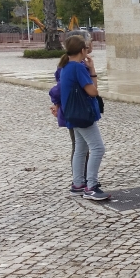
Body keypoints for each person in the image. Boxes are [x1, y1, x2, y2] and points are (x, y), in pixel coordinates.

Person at [59, 35, 110, 201]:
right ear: (83, 50)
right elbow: (93, 92)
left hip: (72, 114)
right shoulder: (77, 67)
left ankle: (78, 184)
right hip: (83, 115)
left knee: (80, 150)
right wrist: (93, 71)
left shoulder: (65, 66)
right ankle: (91, 186)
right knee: (97, 148)